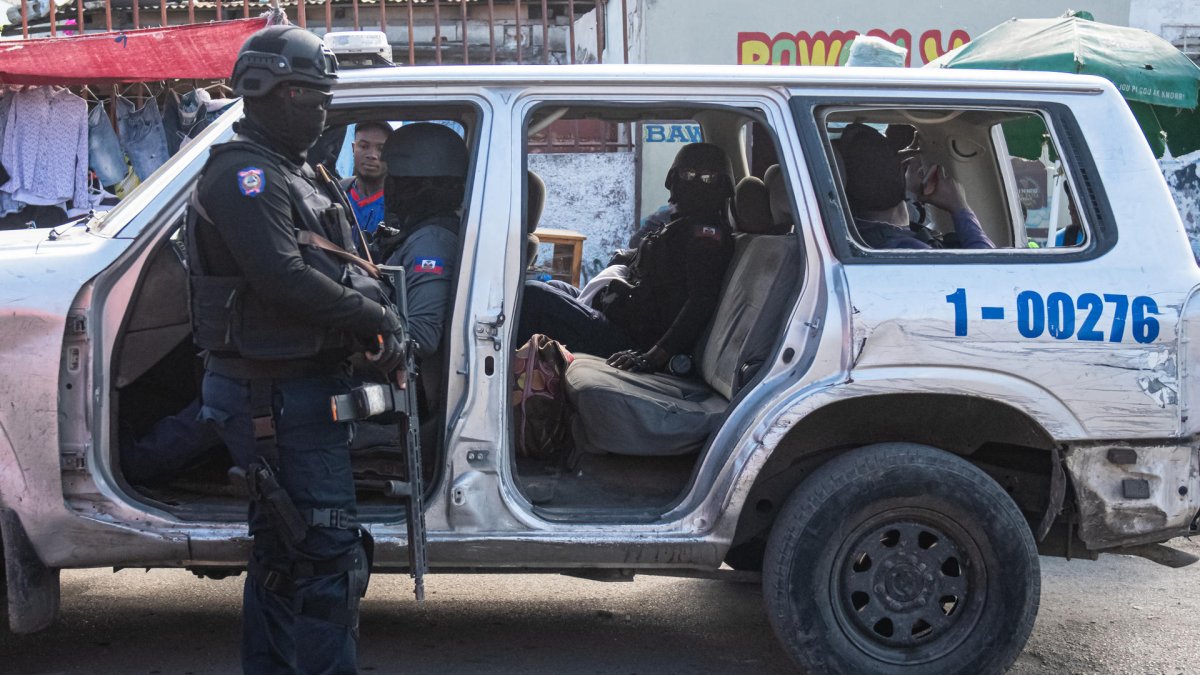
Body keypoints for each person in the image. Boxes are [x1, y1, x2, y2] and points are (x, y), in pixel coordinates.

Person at [186, 25, 408, 674]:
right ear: (269, 92)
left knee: (288, 557)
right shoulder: (246, 176)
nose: (322, 111)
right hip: (274, 395)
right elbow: (281, 277)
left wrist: (378, 307)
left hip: (295, 390)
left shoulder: (296, 173)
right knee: (327, 557)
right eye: (311, 97)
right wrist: (374, 319)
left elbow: (333, 263)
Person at [517, 142, 736, 373]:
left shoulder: (706, 236)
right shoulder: (684, 225)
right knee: (553, 286)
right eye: (688, 174)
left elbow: (701, 301)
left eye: (709, 178)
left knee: (533, 296)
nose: (696, 183)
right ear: (674, 178)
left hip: (633, 341)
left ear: (723, 185)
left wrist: (653, 356)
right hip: (626, 314)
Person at [375, 122, 468, 408]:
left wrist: (355, 333)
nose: (387, 187)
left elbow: (423, 336)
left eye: (395, 179)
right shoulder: (421, 233)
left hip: (412, 391)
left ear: (422, 183)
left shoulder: (431, 241)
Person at [837, 122, 995, 250]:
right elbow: (987, 270)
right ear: (902, 171)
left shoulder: (857, 236)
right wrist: (959, 206)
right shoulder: (905, 248)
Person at [341, 121, 392, 236]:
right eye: (364, 146)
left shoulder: (399, 204)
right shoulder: (338, 194)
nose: (372, 155)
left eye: (381, 149)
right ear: (353, 148)